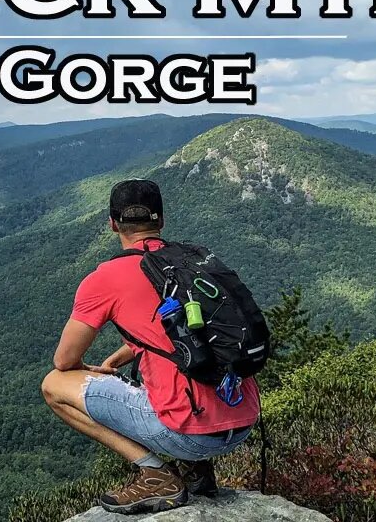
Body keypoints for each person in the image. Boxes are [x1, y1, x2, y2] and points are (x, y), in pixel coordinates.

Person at [41, 178, 260, 514]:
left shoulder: (104, 279)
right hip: (243, 420)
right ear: (161, 220)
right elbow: (183, 331)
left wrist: (93, 371)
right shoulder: (193, 262)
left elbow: (65, 359)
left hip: (189, 432)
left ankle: (156, 473)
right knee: (158, 374)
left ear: (112, 223)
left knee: (53, 385)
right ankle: (195, 467)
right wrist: (121, 355)